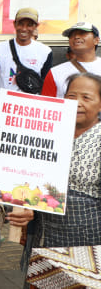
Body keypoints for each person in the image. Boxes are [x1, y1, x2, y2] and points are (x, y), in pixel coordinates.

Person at [41, 72, 101, 246]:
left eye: (86, 98)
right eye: (71, 96)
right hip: (46, 235)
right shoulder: (49, 134)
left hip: (91, 241)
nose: (77, 103)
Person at [0, 8, 52, 97]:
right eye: (20, 24)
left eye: (29, 25)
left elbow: (46, 84)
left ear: (36, 26)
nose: (24, 29)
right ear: (14, 24)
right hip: (2, 106)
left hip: (29, 107)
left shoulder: (45, 52)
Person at [42, 22, 101, 97]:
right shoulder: (55, 73)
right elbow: (47, 103)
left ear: (96, 40)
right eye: (71, 35)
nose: (76, 37)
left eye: (82, 33)